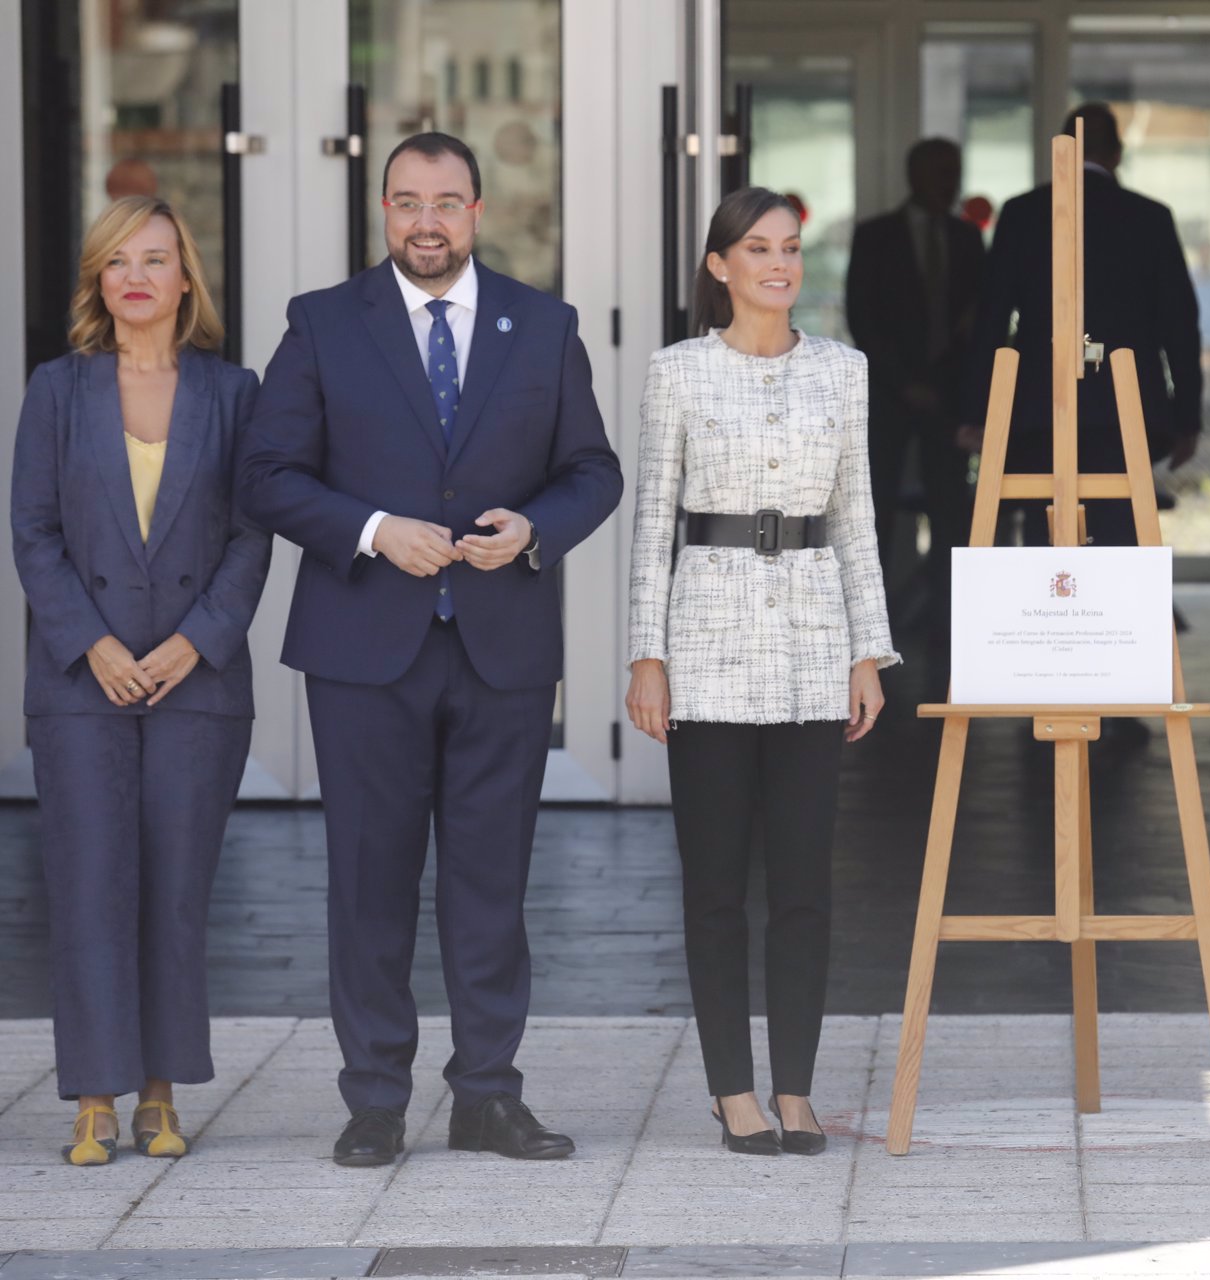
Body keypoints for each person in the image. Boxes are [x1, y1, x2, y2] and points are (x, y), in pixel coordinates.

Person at [237, 133, 623, 1167]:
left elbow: (593, 469)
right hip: (365, 648)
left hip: (502, 647)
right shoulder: (323, 324)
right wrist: (372, 529)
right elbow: (268, 473)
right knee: (369, 880)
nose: (426, 221)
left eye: (446, 201)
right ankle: (374, 1099)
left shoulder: (542, 326)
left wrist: (534, 528)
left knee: (491, 884)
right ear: (382, 209)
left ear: (479, 210)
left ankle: (488, 1094)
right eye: (407, 201)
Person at [626, 187, 896, 1157]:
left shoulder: (844, 370)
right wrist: (645, 655)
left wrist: (870, 648)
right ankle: (729, 1086)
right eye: (756, 248)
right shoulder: (678, 372)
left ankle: (794, 1087)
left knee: (803, 883)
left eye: (790, 247)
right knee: (713, 882)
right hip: (703, 638)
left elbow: (858, 513)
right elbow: (653, 518)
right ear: (719, 265)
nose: (778, 264)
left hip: (814, 641)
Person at [11, 195, 270, 1165]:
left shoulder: (234, 392)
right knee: (87, 886)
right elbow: (32, 530)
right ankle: (92, 1095)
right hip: (84, 683)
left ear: (184, 279)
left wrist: (195, 640)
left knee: (172, 888)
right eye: (118, 260)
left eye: (155, 259)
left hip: (196, 684)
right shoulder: (57, 389)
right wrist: (96, 643)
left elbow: (253, 534)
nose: (136, 276)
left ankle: (160, 1091)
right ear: (97, 280)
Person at [964, 103, 1202, 552]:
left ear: (1061, 151)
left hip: (1038, 401)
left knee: (1045, 530)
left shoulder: (1021, 213)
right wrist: (1186, 415)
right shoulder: (1149, 217)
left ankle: (1050, 617)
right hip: (1126, 400)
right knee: (1119, 532)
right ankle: (1113, 622)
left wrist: (979, 410)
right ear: (1117, 153)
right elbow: (1179, 323)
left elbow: (991, 319)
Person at [845, 138, 985, 640]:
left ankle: (950, 624)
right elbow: (863, 317)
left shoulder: (968, 237)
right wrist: (904, 384)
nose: (948, 181)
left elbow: (980, 319)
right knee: (875, 510)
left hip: (949, 400)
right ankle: (870, 631)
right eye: (938, 171)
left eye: (955, 170)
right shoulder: (875, 236)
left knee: (952, 512)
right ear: (913, 175)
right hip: (890, 397)